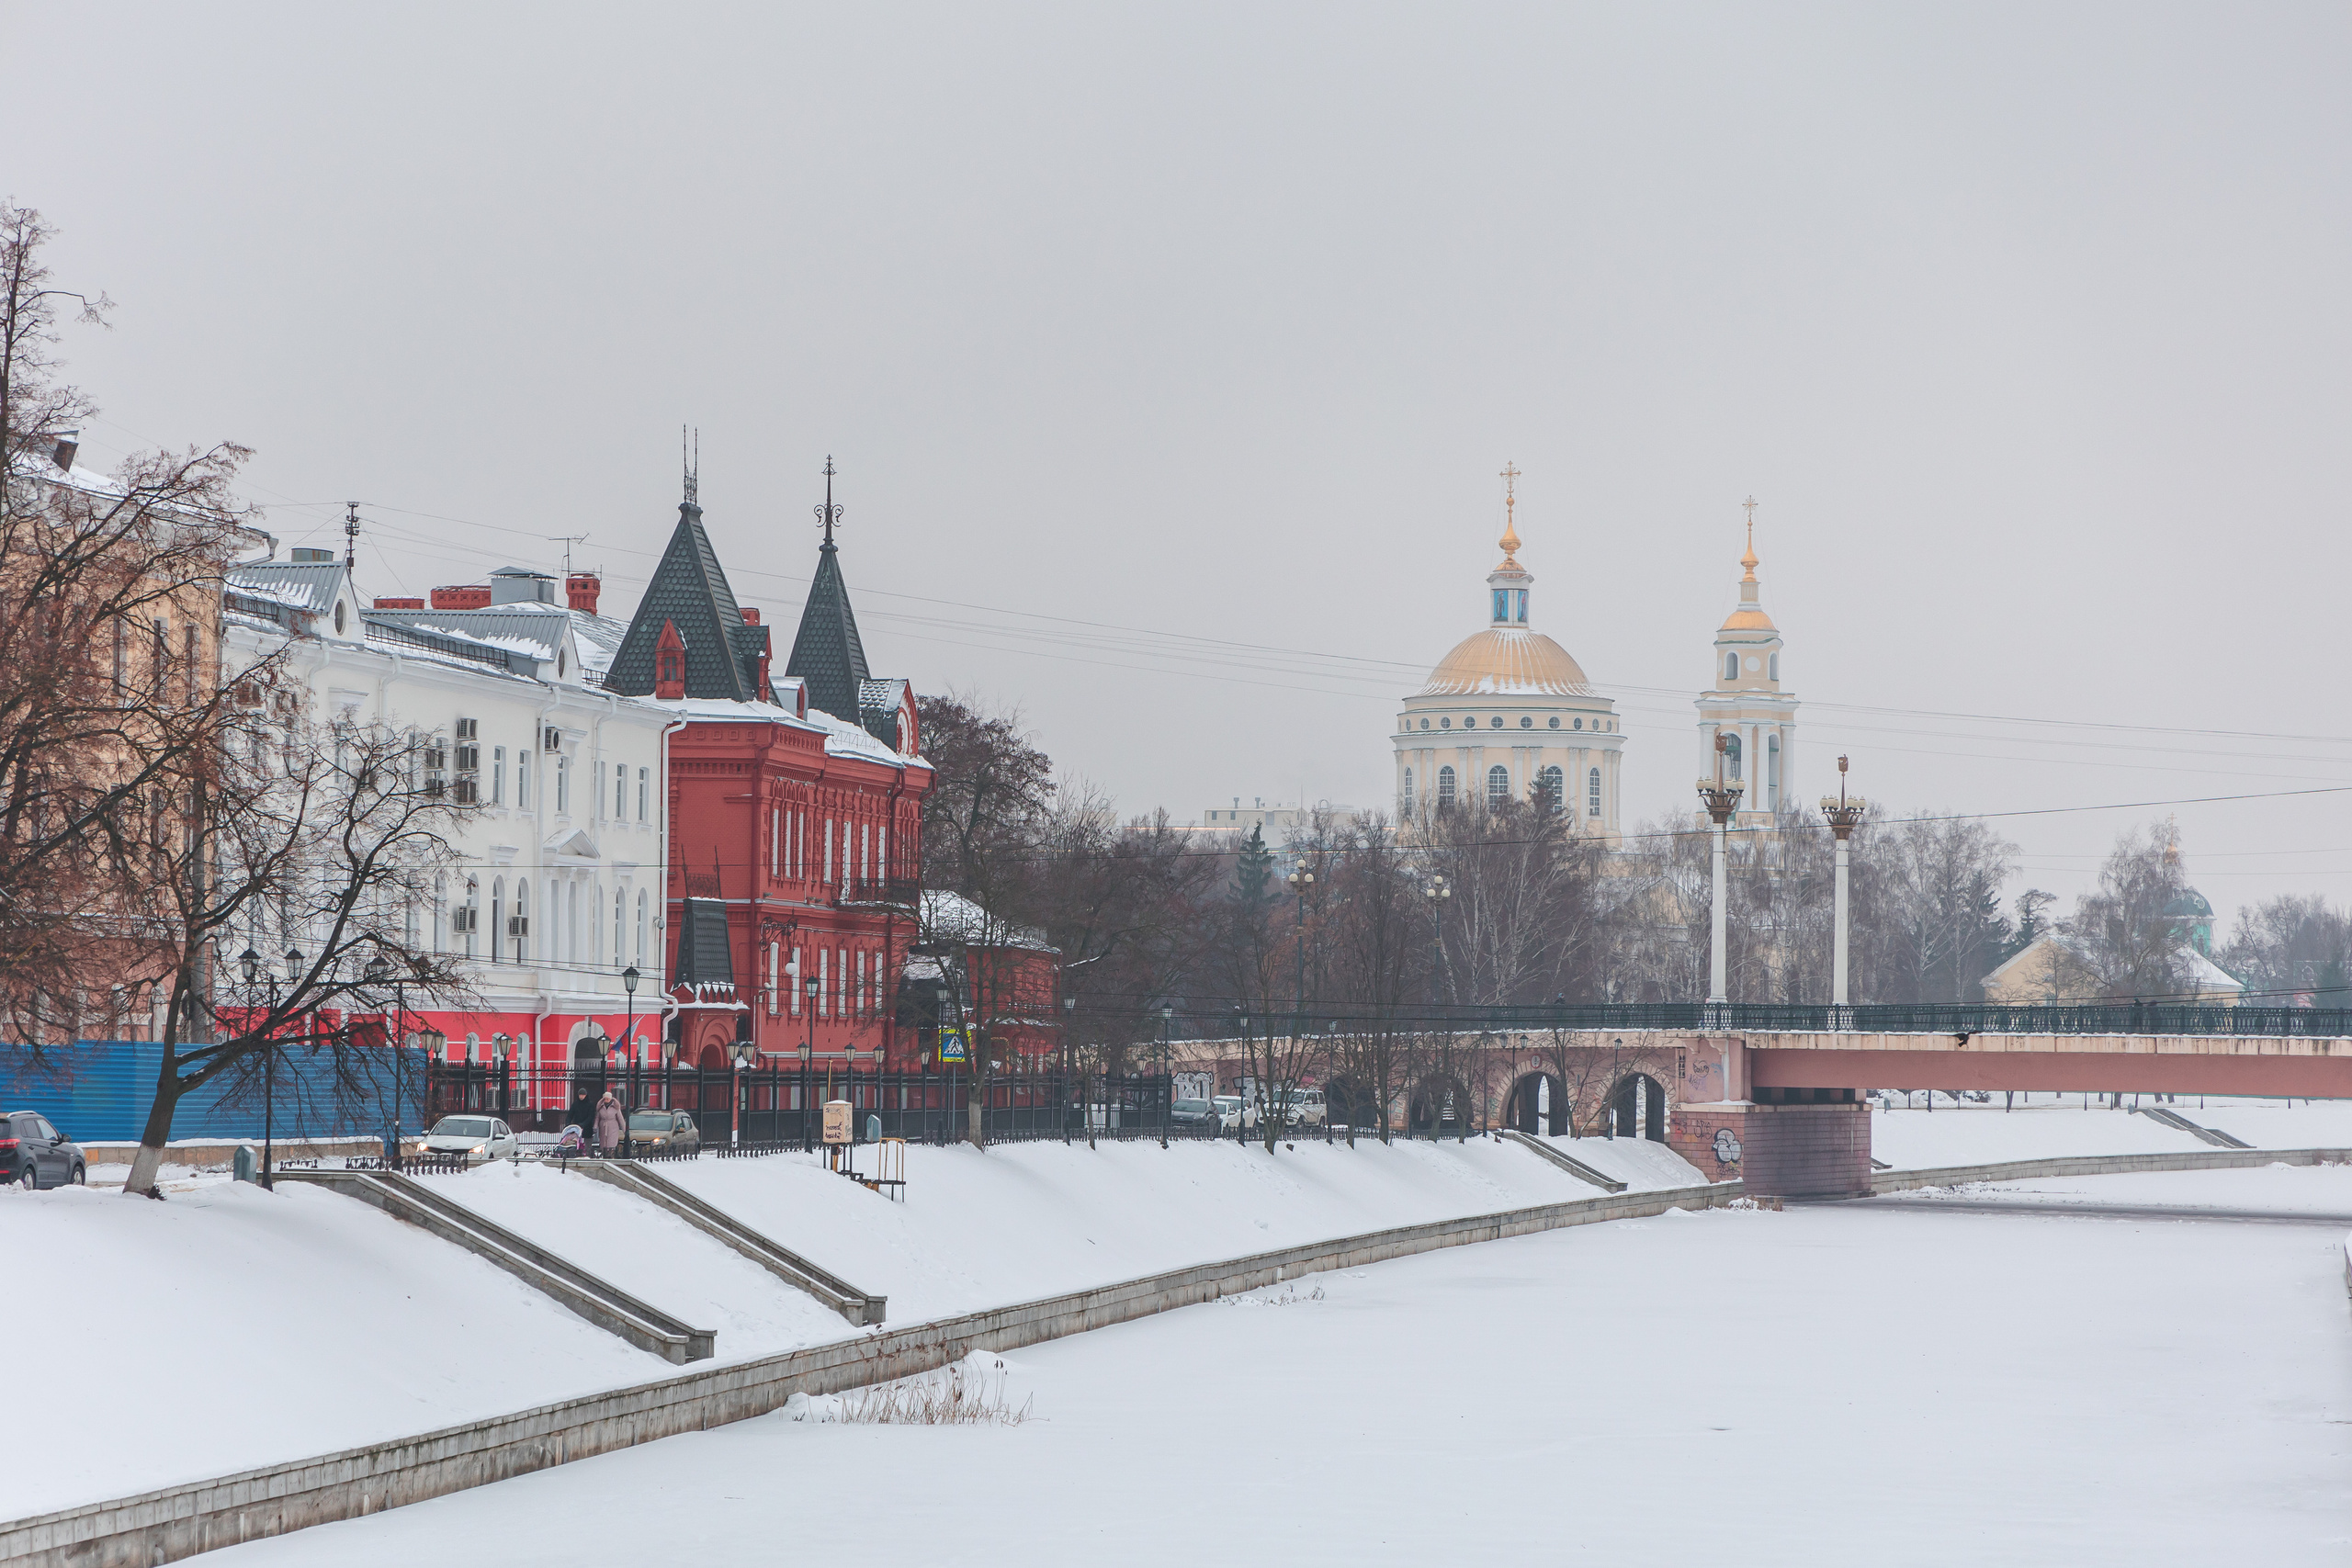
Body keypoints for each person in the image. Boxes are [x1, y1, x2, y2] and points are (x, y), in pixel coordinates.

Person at [594, 1090, 627, 1156]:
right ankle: (604, 1153)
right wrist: (595, 1126)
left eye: (608, 1099)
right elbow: (597, 1118)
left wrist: (624, 1129)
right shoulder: (600, 1107)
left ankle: (611, 1153)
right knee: (603, 1141)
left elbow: (620, 1118)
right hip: (603, 1126)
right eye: (605, 1099)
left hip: (613, 1127)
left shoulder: (615, 1108)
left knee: (611, 1142)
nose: (606, 1100)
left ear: (611, 1099)